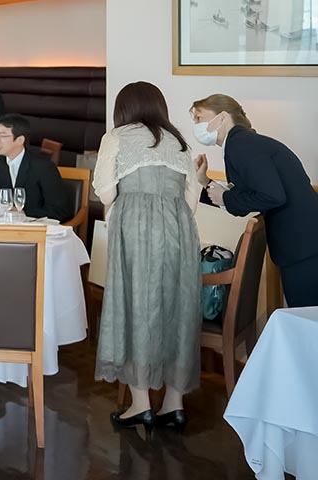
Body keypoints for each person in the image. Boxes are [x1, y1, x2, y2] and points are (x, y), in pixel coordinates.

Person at [94, 81, 201, 430]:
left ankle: (140, 405)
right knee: (178, 308)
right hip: (179, 229)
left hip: (135, 229)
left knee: (135, 307)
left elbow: (105, 193)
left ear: (124, 109)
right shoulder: (179, 142)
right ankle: (174, 404)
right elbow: (191, 203)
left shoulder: (116, 137)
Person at [190, 94, 318, 307]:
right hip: (305, 241)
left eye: (199, 118)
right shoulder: (244, 142)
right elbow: (248, 197)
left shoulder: (240, 145)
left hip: (303, 246)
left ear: (222, 117)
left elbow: (272, 195)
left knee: (306, 317)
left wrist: (225, 196)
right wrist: (205, 181)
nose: (196, 125)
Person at [0, 114, 71, 221]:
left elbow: (59, 210)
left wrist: (23, 213)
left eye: (3, 136)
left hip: (35, 227)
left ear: (20, 140)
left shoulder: (44, 167)